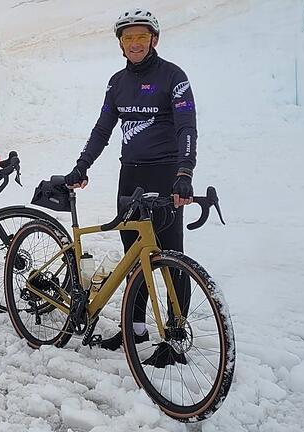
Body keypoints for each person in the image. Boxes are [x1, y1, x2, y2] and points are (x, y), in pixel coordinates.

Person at [64, 8, 197, 354]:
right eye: (128, 38)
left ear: (153, 39)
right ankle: (135, 331)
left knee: (171, 258)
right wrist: (82, 166)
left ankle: (176, 337)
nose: (135, 43)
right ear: (121, 44)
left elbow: (187, 128)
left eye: (141, 36)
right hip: (131, 176)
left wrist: (184, 173)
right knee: (133, 256)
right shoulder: (117, 83)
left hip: (165, 174)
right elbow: (102, 130)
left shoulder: (173, 76)